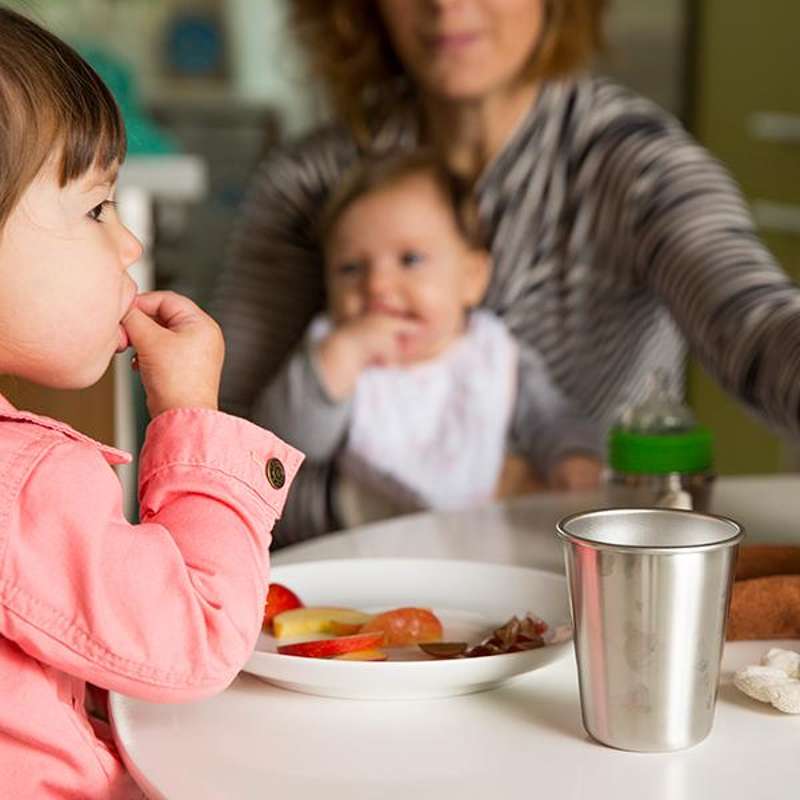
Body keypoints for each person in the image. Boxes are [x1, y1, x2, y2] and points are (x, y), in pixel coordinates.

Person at [212, 0, 800, 546]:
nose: (445, 5)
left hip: (574, 579)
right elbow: (229, 466)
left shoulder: (639, 165)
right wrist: (455, 501)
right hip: (356, 592)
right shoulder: (309, 183)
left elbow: (756, 329)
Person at [0, 10, 302, 798]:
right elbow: (199, 637)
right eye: (97, 208)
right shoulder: (22, 486)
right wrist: (189, 410)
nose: (129, 244)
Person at [261, 150, 602, 526]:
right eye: (351, 268)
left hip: (486, 538)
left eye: (410, 260)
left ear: (472, 278)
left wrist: (572, 456)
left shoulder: (492, 354)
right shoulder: (337, 350)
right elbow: (282, 446)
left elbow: (551, 418)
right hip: (371, 548)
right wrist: (342, 355)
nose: (377, 285)